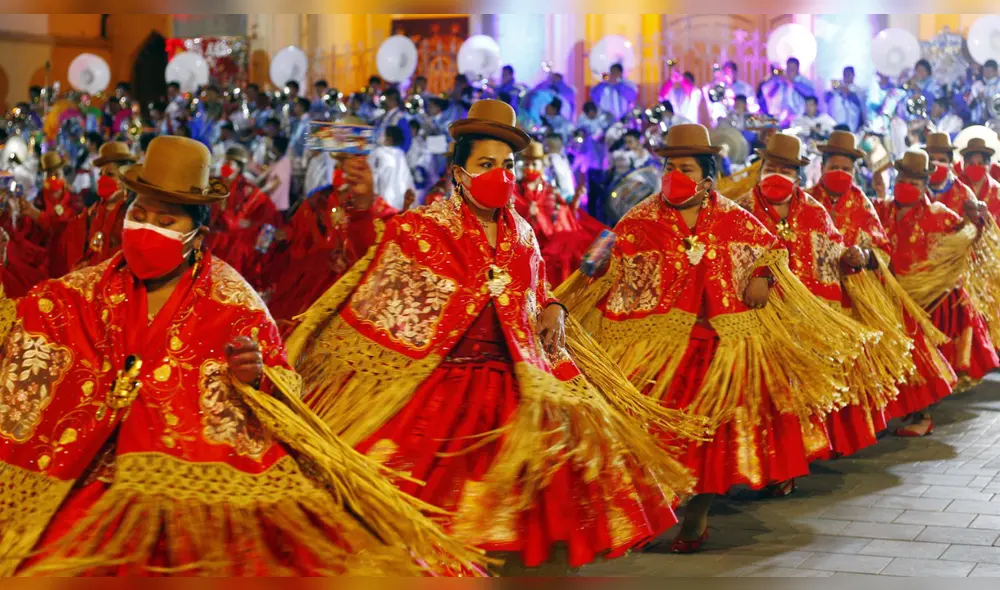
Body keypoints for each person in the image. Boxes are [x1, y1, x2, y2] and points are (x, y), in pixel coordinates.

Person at [0, 135, 487, 576]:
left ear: (198, 232)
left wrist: (254, 380)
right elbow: (29, 320)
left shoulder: (232, 301)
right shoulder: (85, 291)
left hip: (188, 476)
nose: (147, 227)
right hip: (88, 470)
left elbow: (281, 386)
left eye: (166, 220)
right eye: (140, 214)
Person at [286, 100, 698, 575]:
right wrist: (360, 208)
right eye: (487, 165)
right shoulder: (425, 227)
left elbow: (537, 289)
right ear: (459, 173)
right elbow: (376, 262)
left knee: (531, 529)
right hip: (441, 391)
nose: (501, 175)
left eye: (507, 166)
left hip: (521, 385)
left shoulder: (522, 231)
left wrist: (555, 307)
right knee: (431, 527)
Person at [557, 123, 863, 554]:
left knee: (708, 444)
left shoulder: (733, 217)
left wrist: (760, 276)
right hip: (656, 348)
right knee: (651, 435)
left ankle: (695, 516)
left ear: (707, 177)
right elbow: (607, 247)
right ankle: (653, 509)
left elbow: (771, 250)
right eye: (668, 166)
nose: (673, 175)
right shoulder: (642, 216)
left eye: (684, 167)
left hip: (717, 349)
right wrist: (585, 273)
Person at [807, 130, 955, 440]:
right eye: (834, 166)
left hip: (859, 297)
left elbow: (881, 249)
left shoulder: (861, 203)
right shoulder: (806, 201)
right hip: (813, 300)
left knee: (898, 346)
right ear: (821, 167)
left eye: (846, 169)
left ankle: (915, 413)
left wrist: (865, 256)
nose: (840, 174)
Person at [878, 149, 999, 434]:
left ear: (924, 186)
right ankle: (911, 410)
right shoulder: (881, 210)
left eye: (915, 182)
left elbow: (969, 238)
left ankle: (923, 416)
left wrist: (977, 221)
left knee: (924, 358)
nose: (907, 186)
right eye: (903, 179)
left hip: (928, 302)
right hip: (891, 297)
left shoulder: (939, 215)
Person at [77, 141, 137, 269]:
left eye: (110, 174)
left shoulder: (133, 214)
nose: (103, 180)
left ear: (125, 179)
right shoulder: (95, 210)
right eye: (101, 175)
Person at [959, 137, 1000, 220]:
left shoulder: (997, 191)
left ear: (988, 166)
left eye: (980, 163)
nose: (976, 167)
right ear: (964, 165)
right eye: (971, 163)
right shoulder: (955, 187)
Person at [827, 66, 866, 132]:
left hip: (852, 123)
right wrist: (841, 86)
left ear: (853, 75)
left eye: (848, 74)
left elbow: (853, 94)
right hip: (838, 122)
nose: (845, 76)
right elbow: (833, 83)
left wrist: (843, 88)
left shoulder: (859, 90)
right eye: (844, 74)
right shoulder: (840, 85)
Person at [373, 87, 411, 152]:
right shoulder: (384, 115)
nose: (383, 102)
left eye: (385, 99)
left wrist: (399, 155)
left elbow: (407, 139)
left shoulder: (400, 117)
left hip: (391, 155)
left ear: (392, 99)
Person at [260, 136, 292, 213]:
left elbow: (276, 182)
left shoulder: (284, 162)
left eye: (272, 146)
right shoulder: (276, 160)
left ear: (276, 148)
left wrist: (260, 192)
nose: (271, 148)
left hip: (278, 207)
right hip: (272, 204)